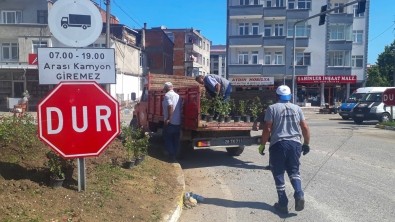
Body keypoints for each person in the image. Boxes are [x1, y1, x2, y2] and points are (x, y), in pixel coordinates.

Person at [259, 85, 311, 214]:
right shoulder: (297, 108)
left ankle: (283, 203)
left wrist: (262, 144)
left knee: (278, 172)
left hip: (278, 145)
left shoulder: (272, 108)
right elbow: (304, 127)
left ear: (277, 96)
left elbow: (267, 128)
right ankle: (299, 193)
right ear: (289, 97)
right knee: (294, 170)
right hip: (295, 144)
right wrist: (306, 143)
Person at [162, 82, 182, 162]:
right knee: (175, 140)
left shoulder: (167, 95)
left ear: (167, 88)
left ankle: (172, 156)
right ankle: (174, 155)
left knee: (168, 138)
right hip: (178, 121)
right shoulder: (178, 96)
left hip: (171, 122)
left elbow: (170, 106)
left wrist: (168, 119)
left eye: (164, 88)